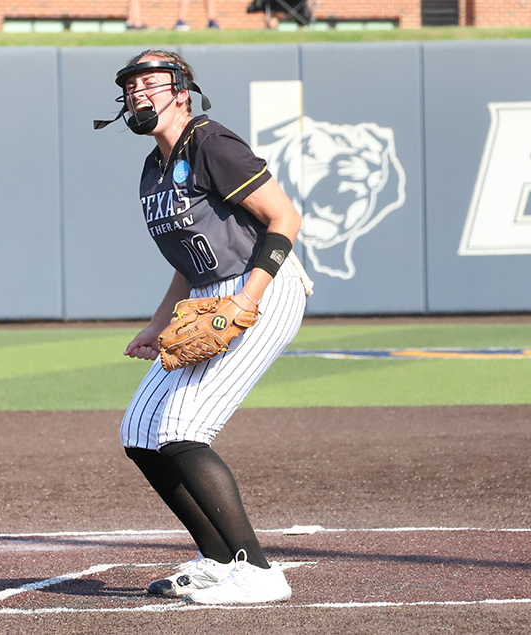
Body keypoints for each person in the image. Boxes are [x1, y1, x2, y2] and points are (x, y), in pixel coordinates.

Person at [94, 49, 309, 604]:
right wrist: (157, 323)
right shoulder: (153, 168)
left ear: (182, 90)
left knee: (183, 430)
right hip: (207, 294)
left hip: (261, 286)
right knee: (141, 433)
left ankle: (257, 571)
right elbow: (188, 259)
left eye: (152, 83)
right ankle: (217, 558)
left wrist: (246, 301)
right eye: (131, 87)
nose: (139, 93)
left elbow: (285, 218)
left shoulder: (212, 143)